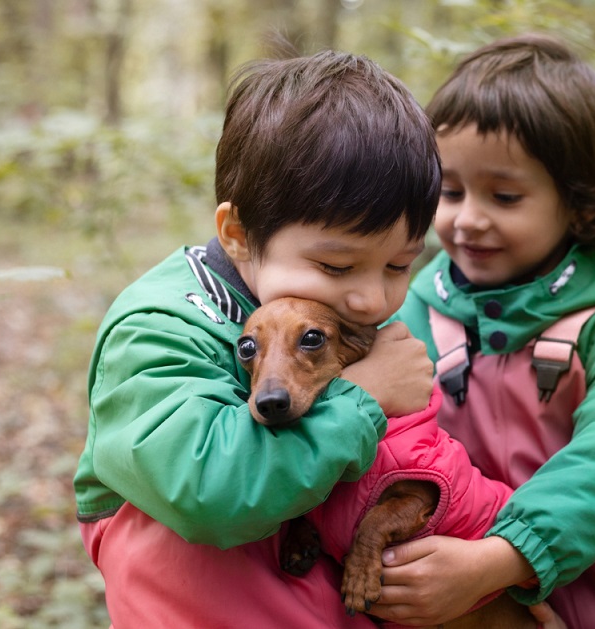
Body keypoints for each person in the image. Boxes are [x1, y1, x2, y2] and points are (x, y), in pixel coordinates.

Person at [72, 49, 441, 628]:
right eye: (338, 266)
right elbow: (206, 490)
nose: (372, 299)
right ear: (239, 234)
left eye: (399, 265)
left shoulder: (348, 326)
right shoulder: (160, 327)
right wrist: (364, 396)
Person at [374, 34, 595, 628]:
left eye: (505, 196)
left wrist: (497, 560)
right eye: (451, 191)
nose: (467, 219)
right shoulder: (416, 310)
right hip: (471, 596)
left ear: (581, 204)